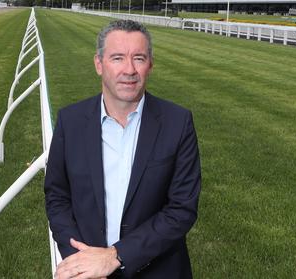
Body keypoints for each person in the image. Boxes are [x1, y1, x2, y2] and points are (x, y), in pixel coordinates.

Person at [44, 19, 201, 279]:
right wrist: (79, 259)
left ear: (150, 64)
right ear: (98, 64)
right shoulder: (70, 121)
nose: (129, 69)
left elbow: (182, 209)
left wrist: (116, 255)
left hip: (158, 270)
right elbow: (57, 196)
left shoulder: (177, 122)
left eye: (138, 58)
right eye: (117, 58)